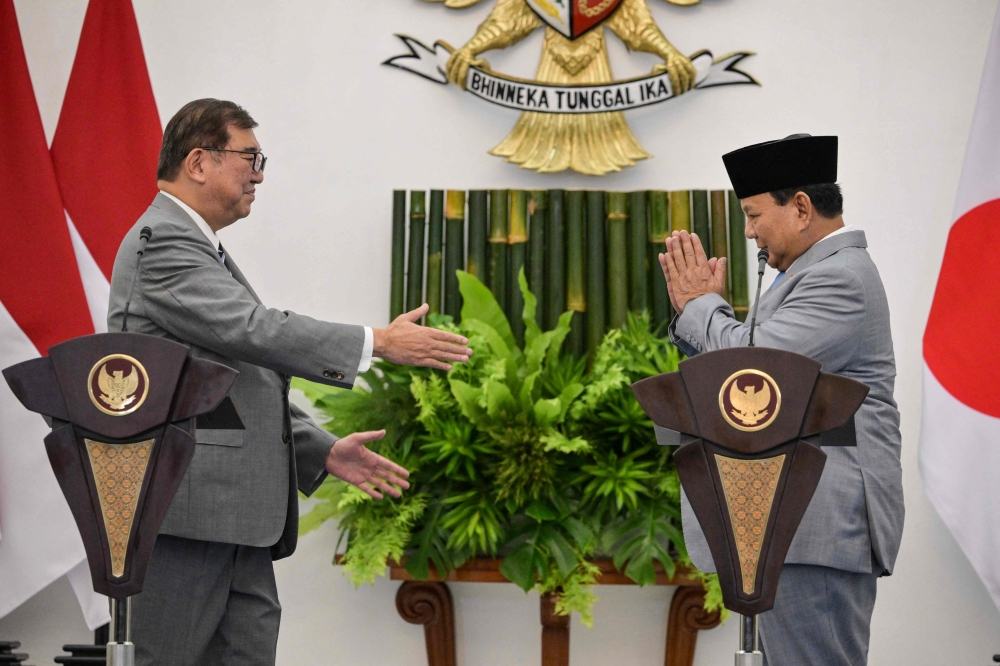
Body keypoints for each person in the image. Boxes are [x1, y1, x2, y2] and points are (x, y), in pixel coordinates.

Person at [106, 98, 472, 666]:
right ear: (198, 162)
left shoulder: (198, 246)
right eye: (249, 157)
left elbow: (230, 380)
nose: (258, 175)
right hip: (186, 516)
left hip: (235, 520)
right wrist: (377, 342)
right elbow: (252, 330)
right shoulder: (164, 243)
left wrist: (319, 449)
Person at [658, 134, 904, 665]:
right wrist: (704, 314)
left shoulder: (839, 278)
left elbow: (755, 370)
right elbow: (744, 382)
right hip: (789, 521)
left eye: (753, 215)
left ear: (801, 208)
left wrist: (700, 306)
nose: (749, 232)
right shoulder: (808, 275)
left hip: (816, 521)